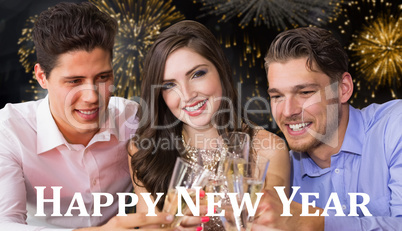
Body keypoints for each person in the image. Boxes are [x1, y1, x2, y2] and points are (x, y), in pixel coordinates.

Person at [0, 2, 178, 230]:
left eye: (103, 77)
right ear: (42, 77)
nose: (92, 97)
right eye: (74, 81)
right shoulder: (9, 130)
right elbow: (5, 223)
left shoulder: (133, 120)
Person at [128, 20, 290, 230]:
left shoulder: (269, 150)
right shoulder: (144, 150)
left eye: (197, 74)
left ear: (220, 69)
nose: (187, 95)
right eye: (169, 85)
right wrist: (172, 226)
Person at [253, 27, 402, 230]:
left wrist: (316, 222)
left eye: (305, 92)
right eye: (277, 96)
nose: (287, 111)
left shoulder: (394, 127)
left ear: (343, 89)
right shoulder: (280, 174)